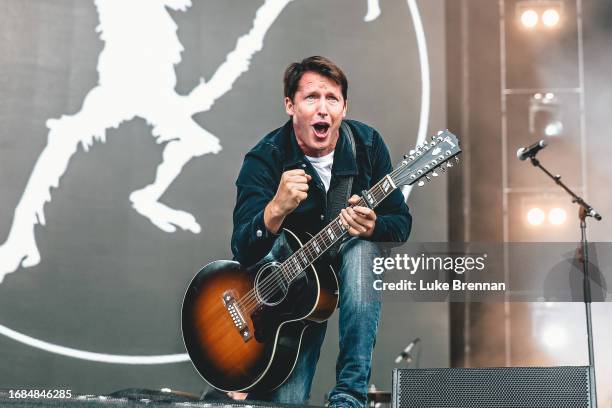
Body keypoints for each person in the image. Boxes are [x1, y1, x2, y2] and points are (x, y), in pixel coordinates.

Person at [231, 56, 411, 408]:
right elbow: (242, 248)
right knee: (286, 400)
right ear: (290, 105)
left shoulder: (368, 146)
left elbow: (400, 223)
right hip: (289, 298)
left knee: (363, 252)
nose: (323, 109)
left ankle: (349, 395)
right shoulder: (265, 157)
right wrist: (274, 210)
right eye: (311, 97)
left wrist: (375, 226)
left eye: (332, 98)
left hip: (343, 266)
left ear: (344, 107)